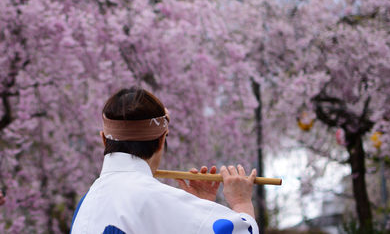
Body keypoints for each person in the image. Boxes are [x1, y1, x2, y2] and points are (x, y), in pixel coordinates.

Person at [70, 87, 259, 234]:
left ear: (104, 139)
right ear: (162, 139)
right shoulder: (152, 197)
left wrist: (200, 208)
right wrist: (241, 202)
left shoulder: (86, 204)